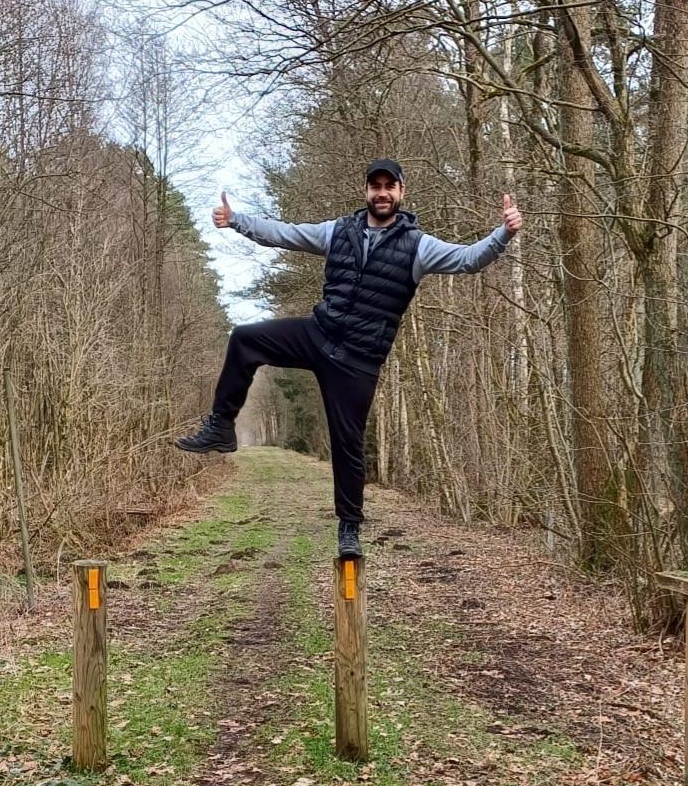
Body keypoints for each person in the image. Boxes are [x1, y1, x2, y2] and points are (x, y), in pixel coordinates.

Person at [176, 160, 523, 557]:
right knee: (244, 339)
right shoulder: (339, 231)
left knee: (348, 444)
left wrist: (503, 233)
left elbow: (468, 259)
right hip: (318, 336)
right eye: (375, 186)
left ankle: (349, 529)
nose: (382, 193)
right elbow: (285, 234)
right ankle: (222, 427)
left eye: (389, 186)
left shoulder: (419, 247)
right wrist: (237, 220)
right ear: (366, 191)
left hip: (358, 361)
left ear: (401, 192)